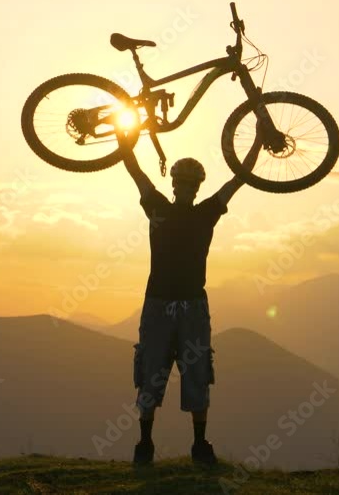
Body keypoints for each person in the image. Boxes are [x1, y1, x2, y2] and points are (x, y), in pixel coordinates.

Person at [114, 123, 261, 467]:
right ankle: (177, 446)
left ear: (189, 186)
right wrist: (254, 142)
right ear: (184, 186)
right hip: (184, 304)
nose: (185, 188)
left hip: (169, 303)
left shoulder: (162, 207)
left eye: (188, 183)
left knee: (168, 369)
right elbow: (239, 179)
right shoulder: (197, 211)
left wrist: (126, 138)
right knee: (179, 369)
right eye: (184, 183)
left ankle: (157, 446)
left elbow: (135, 170)